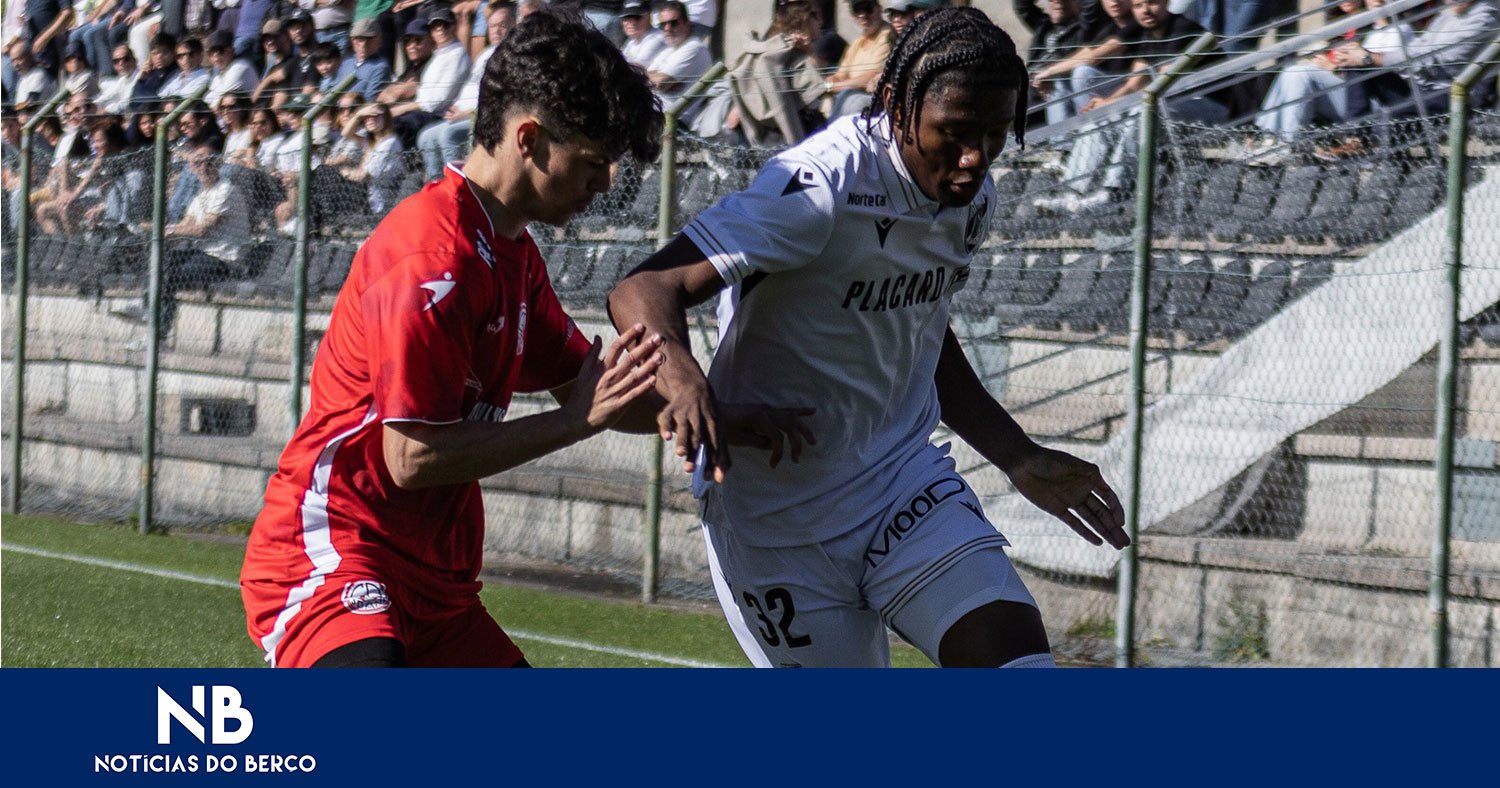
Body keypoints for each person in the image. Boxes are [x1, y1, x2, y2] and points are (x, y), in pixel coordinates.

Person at [607, 7, 1129, 669]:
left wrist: (1015, 455)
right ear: (893, 104)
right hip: (776, 518)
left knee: (1018, 664)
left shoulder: (969, 195)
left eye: (995, 135)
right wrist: (682, 378)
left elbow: (921, 324)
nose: (973, 160)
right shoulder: (822, 186)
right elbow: (643, 289)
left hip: (899, 484)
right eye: (955, 132)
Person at [238, 8, 669, 669]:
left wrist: (732, 417)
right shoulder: (432, 259)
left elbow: (605, 392)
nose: (605, 184)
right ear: (528, 138)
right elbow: (412, 458)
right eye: (592, 161)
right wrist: (578, 421)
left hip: (436, 586)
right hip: (334, 554)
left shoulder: (513, 255)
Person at [1251, 0, 1413, 146]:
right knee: (1292, 71)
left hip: (1372, 104)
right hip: (1350, 94)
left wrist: (1335, 67)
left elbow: (1390, 74)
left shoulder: (1399, 30)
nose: (1375, 2)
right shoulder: (1359, 26)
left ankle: (1288, 144)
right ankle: (1268, 137)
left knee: (1301, 73)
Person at [416, 2, 511, 178]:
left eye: (502, 25)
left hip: (479, 117)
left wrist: (467, 113)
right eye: (492, 26)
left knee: (448, 135)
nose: (497, 31)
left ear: (512, 26)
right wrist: (456, 107)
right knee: (425, 136)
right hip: (460, 113)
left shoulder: (509, 56)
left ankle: (458, 185)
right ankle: (435, 184)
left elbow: (500, 100)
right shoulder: (485, 54)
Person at [389, 6, 471, 148]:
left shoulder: (458, 56)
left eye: (445, 25)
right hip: (425, 111)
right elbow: (424, 94)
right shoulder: (439, 55)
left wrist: (403, 108)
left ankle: (407, 167)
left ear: (454, 27)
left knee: (399, 124)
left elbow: (438, 101)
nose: (440, 30)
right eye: (435, 26)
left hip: (438, 115)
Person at [822, 0, 894, 119]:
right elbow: (841, 75)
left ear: (879, 9)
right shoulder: (858, 42)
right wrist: (829, 83)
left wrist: (833, 87)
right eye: (857, 11)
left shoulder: (887, 36)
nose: (862, 15)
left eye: (867, 9)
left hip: (877, 97)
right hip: (851, 94)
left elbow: (870, 77)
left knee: (851, 100)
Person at [644, 1, 710, 99]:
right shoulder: (668, 50)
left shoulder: (694, 47)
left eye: (673, 23)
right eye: (663, 25)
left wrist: (658, 78)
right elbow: (643, 79)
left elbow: (660, 84)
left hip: (679, 112)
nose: (667, 28)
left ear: (687, 24)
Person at [335, 17, 393, 100]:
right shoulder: (346, 63)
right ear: (352, 40)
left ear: (379, 40)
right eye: (359, 39)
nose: (363, 45)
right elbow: (334, 93)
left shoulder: (381, 67)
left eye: (369, 39)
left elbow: (369, 99)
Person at [618, 1, 664, 69]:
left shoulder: (657, 38)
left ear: (648, 17)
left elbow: (636, 69)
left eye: (636, 17)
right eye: (626, 18)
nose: (631, 22)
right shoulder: (631, 41)